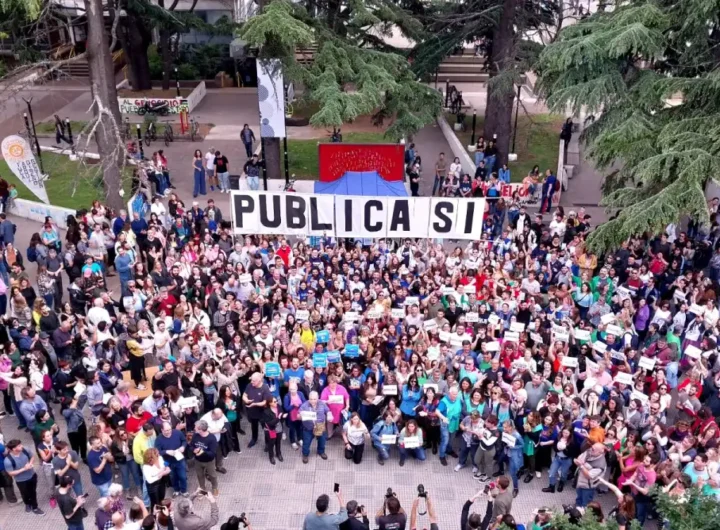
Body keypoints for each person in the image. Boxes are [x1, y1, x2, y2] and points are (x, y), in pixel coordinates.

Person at [4, 439, 44, 515]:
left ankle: (35, 507)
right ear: (14, 449)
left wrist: (30, 463)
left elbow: (32, 457)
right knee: (25, 493)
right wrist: (24, 469)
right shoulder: (8, 460)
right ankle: (27, 504)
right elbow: (11, 473)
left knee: (33, 492)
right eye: (19, 446)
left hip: (32, 475)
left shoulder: (25, 450)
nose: (22, 446)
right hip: (21, 480)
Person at [299, 391, 332, 464]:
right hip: (308, 428)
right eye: (311, 399)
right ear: (308, 398)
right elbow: (298, 416)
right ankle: (305, 454)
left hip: (320, 426)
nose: (313, 401)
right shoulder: (304, 405)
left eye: (314, 399)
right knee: (306, 443)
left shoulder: (322, 403)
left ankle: (321, 451)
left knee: (322, 441)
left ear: (318, 398)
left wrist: (329, 415)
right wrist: (300, 416)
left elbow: (328, 411)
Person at [189, 420, 219, 496]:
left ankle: (215, 488)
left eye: (195, 428)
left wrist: (203, 452)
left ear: (200, 429)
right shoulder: (195, 436)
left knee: (212, 475)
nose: (194, 429)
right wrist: (194, 450)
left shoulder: (211, 438)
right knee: (199, 475)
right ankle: (202, 488)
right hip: (198, 461)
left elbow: (212, 454)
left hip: (209, 462)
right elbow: (191, 446)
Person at [243, 372, 272, 448]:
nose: (251, 382)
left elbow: (265, 402)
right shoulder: (249, 385)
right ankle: (254, 439)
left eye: (253, 381)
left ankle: (267, 443)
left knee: (266, 428)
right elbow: (244, 395)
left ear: (259, 380)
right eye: (251, 380)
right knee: (254, 426)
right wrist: (246, 400)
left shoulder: (265, 388)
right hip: (252, 411)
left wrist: (255, 404)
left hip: (263, 412)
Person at [574, 442, 607, 507]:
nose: (590, 449)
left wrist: (581, 466)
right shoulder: (589, 451)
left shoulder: (600, 465)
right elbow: (579, 458)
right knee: (579, 497)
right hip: (580, 481)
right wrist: (577, 461)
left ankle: (583, 514)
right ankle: (577, 508)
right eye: (591, 447)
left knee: (586, 503)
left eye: (593, 449)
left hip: (588, 486)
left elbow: (589, 476)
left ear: (600, 452)